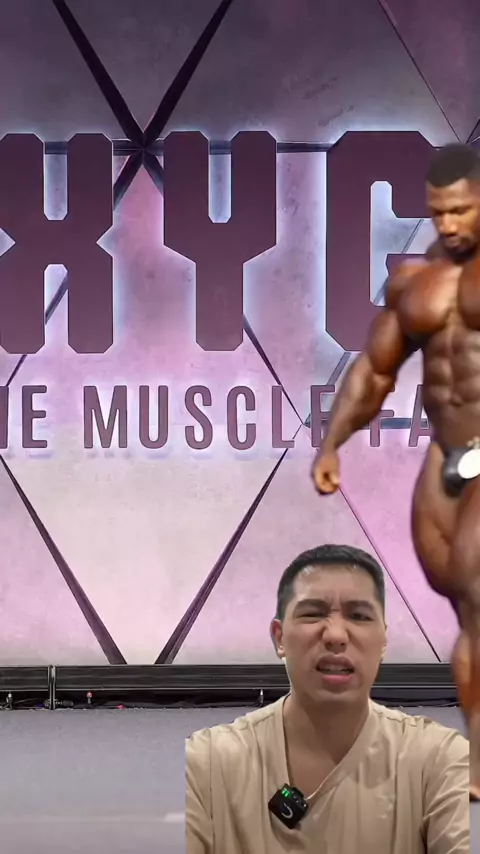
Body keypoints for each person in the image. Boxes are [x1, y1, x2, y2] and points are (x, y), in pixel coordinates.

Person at [311, 142, 480, 801]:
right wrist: (333, 443)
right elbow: (375, 372)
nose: (449, 224)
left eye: (462, 210)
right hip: (446, 461)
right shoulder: (416, 282)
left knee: (478, 597)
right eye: (439, 213)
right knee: (465, 609)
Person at [186, 544, 469, 853]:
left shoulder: (439, 761)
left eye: (358, 616)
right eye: (313, 614)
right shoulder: (208, 765)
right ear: (280, 638)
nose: (335, 635)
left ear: (383, 641)